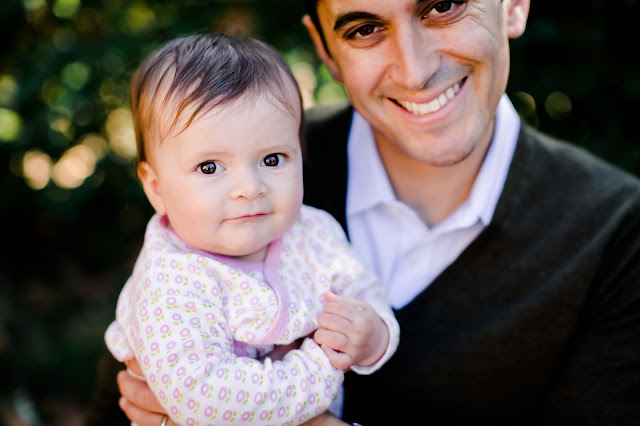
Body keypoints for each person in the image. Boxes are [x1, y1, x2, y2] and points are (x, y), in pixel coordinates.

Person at [88, 0, 640, 424]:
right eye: (363, 28)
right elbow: (124, 402)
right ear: (326, 49)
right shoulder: (230, 171)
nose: (416, 69)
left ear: (514, 2)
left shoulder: (616, 232)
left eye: (442, 4)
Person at [99, 32, 399, 426]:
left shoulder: (312, 233)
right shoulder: (171, 279)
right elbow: (208, 397)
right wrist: (319, 367)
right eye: (210, 167)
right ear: (156, 188)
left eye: (272, 159)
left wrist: (372, 333)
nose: (249, 188)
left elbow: (364, 293)